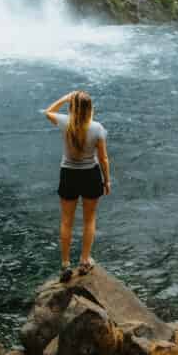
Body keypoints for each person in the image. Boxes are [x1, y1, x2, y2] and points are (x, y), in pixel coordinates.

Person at [42, 88, 110, 281]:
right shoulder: (97, 128)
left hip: (68, 174)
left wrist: (64, 98)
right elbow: (104, 159)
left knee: (66, 221)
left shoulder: (65, 122)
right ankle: (84, 260)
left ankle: (65, 265)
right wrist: (107, 180)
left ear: (72, 107)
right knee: (89, 220)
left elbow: (48, 112)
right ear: (90, 108)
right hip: (90, 175)